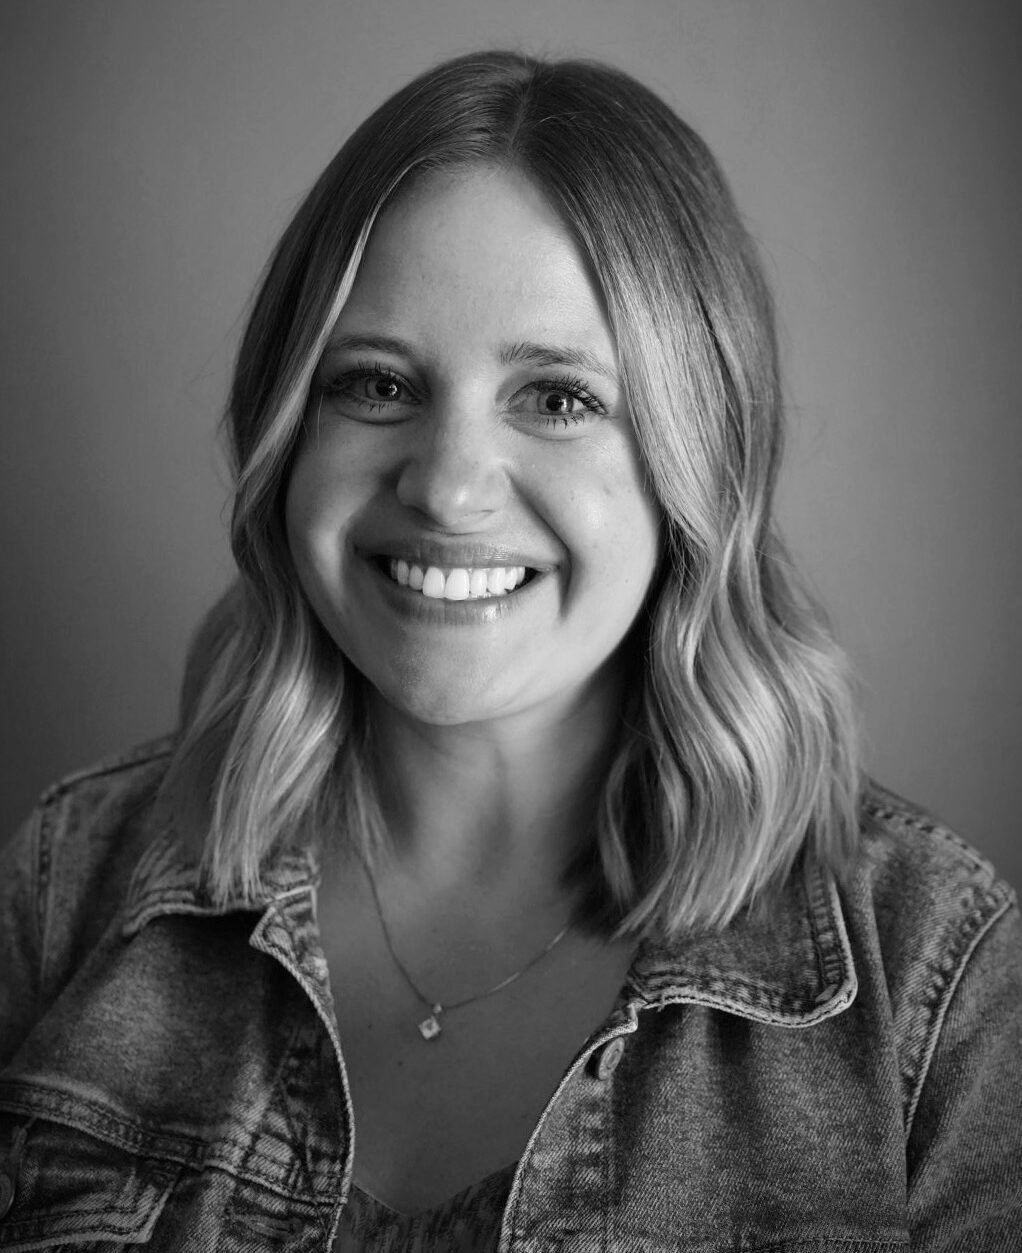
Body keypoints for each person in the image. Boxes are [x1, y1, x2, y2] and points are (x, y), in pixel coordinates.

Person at [0, 49, 1019, 1252]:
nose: (445, 486)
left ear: (696, 458)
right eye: (376, 381)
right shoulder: (71, 877)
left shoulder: (934, 980)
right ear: (284, 433)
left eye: (556, 397)